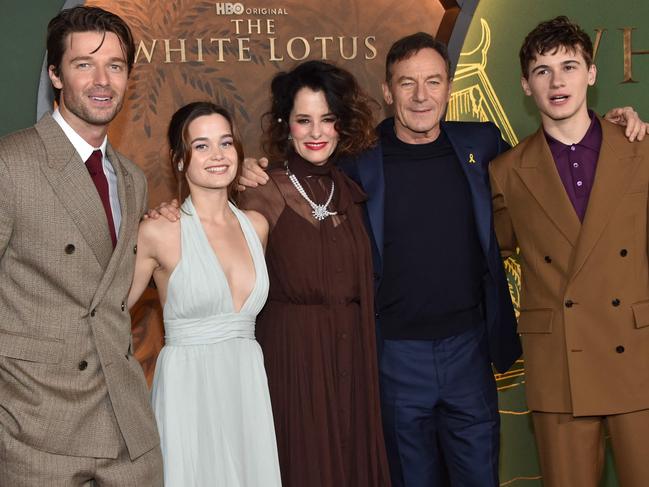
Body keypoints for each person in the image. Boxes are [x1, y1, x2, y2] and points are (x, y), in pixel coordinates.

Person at [238, 34, 649, 487]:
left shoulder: (483, 144)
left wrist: (616, 127)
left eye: (433, 81)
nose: (421, 95)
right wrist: (249, 170)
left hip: (468, 352)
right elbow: (303, 174)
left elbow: (553, 167)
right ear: (388, 91)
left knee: (479, 476)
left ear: (449, 87)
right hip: (394, 355)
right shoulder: (357, 160)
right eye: (407, 83)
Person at [0, 6, 162, 485]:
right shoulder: (12, 163)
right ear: (54, 74)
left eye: (115, 65)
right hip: (34, 423)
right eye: (83, 64)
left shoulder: (132, 179)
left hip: (126, 426)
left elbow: (110, 296)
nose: (102, 80)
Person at [489, 16, 649, 487]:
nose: (557, 82)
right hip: (559, 363)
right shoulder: (505, 172)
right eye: (542, 70)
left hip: (636, 354)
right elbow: (483, 253)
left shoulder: (640, 150)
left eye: (569, 66)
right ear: (525, 84)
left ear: (592, 74)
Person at [127, 102, 281, 486]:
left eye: (226, 143)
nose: (218, 155)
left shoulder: (257, 227)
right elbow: (107, 314)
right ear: (179, 160)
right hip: (187, 390)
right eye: (201, 146)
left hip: (246, 384)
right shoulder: (159, 232)